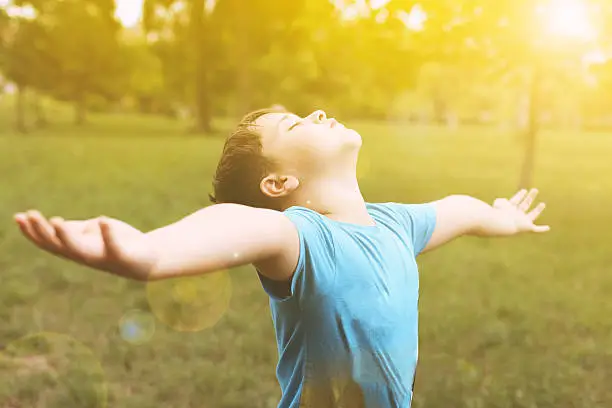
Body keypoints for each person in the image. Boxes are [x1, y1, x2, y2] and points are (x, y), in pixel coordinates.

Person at [13, 107, 550, 408]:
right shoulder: (299, 237)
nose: (317, 111)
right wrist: (149, 253)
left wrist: (504, 217)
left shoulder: (396, 225)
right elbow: (236, 223)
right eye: (294, 125)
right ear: (278, 182)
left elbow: (457, 210)